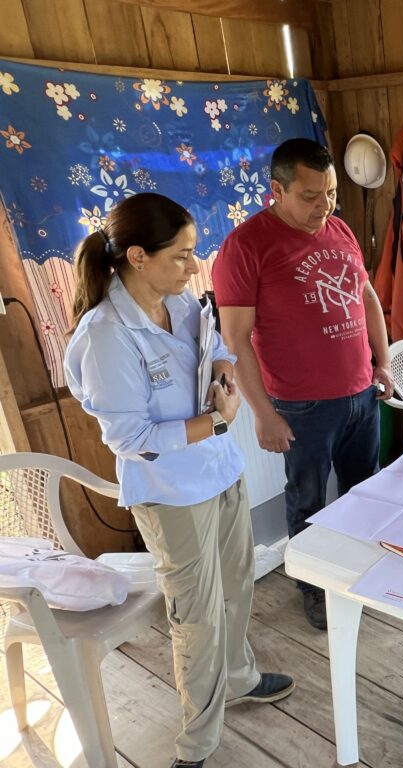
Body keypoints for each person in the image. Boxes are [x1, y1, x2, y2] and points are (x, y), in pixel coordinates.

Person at [63, 193, 294, 768]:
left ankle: (238, 678)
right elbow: (130, 439)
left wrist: (222, 369)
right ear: (137, 256)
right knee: (196, 619)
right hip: (171, 496)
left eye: (195, 254)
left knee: (238, 590)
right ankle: (197, 744)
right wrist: (213, 419)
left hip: (220, 473)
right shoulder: (107, 335)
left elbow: (214, 343)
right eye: (183, 255)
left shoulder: (181, 301)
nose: (195, 267)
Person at [212, 138, 395, 630]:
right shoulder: (246, 246)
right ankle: (314, 589)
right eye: (311, 195)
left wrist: (383, 362)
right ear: (277, 189)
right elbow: (236, 339)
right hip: (303, 404)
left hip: (360, 393)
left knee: (366, 489)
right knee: (309, 498)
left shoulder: (338, 229)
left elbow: (368, 298)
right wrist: (264, 414)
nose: (324, 206)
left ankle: (362, 569)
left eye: (330, 193)